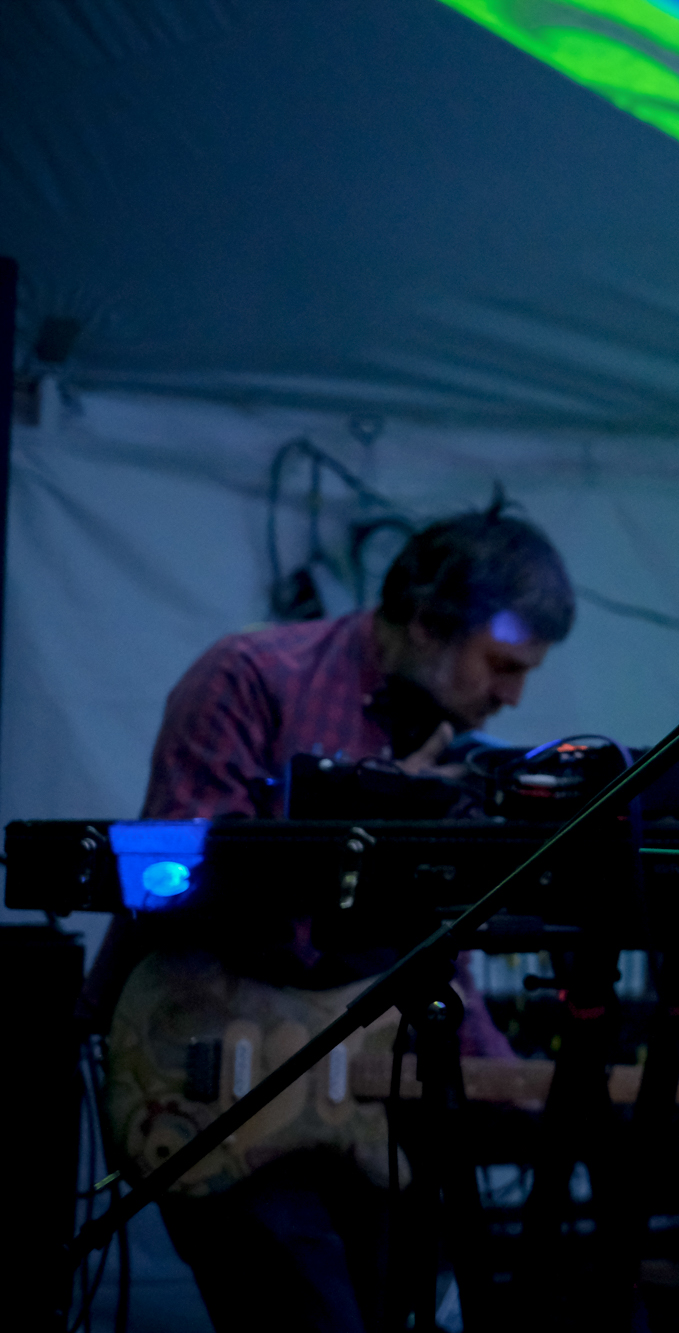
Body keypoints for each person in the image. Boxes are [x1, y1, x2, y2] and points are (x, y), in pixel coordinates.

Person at [106, 503, 575, 1333]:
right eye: (501, 664)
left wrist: (514, 1086)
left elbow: (436, 952)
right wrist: (364, 821)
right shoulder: (251, 674)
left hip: (363, 1107)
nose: (512, 695)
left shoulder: (451, 744)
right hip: (212, 1063)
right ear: (426, 623)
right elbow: (167, 877)